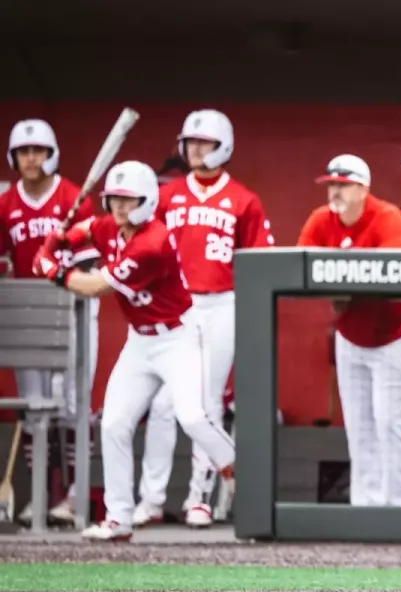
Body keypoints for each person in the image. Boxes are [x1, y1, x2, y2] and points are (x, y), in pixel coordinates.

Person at [33, 160, 237, 541]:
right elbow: (88, 228)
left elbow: (94, 286)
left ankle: (234, 465)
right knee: (113, 424)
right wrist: (62, 238)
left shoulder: (153, 242)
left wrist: (52, 269)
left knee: (192, 416)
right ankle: (119, 517)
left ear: (147, 201)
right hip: (140, 340)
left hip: (178, 337)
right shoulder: (111, 225)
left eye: (129, 200)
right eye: (114, 200)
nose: (120, 208)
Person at [134, 109, 274, 529]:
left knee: (206, 404)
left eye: (204, 142)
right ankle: (152, 499)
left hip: (220, 304)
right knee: (160, 404)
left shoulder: (244, 199)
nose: (195, 149)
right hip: (175, 306)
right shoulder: (167, 195)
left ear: (224, 146)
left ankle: (200, 497)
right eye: (190, 142)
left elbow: (259, 263)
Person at [297, 154, 401, 507]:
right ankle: (365, 504)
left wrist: (343, 291)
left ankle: (399, 505)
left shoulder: (386, 217)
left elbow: (390, 275)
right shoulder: (321, 220)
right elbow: (300, 267)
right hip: (351, 335)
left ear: (363, 188)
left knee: (389, 422)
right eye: (332, 184)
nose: (335, 191)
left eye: (344, 185)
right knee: (359, 424)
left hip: (394, 334)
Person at [1, 119, 100, 527]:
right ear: (13, 157)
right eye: (24, 151)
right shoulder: (6, 204)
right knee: (34, 409)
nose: (30, 158)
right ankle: (40, 495)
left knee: (73, 406)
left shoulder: (75, 199)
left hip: (73, 307)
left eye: (38, 151)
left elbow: (89, 263)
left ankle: (76, 496)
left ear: (51, 154)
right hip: (29, 313)